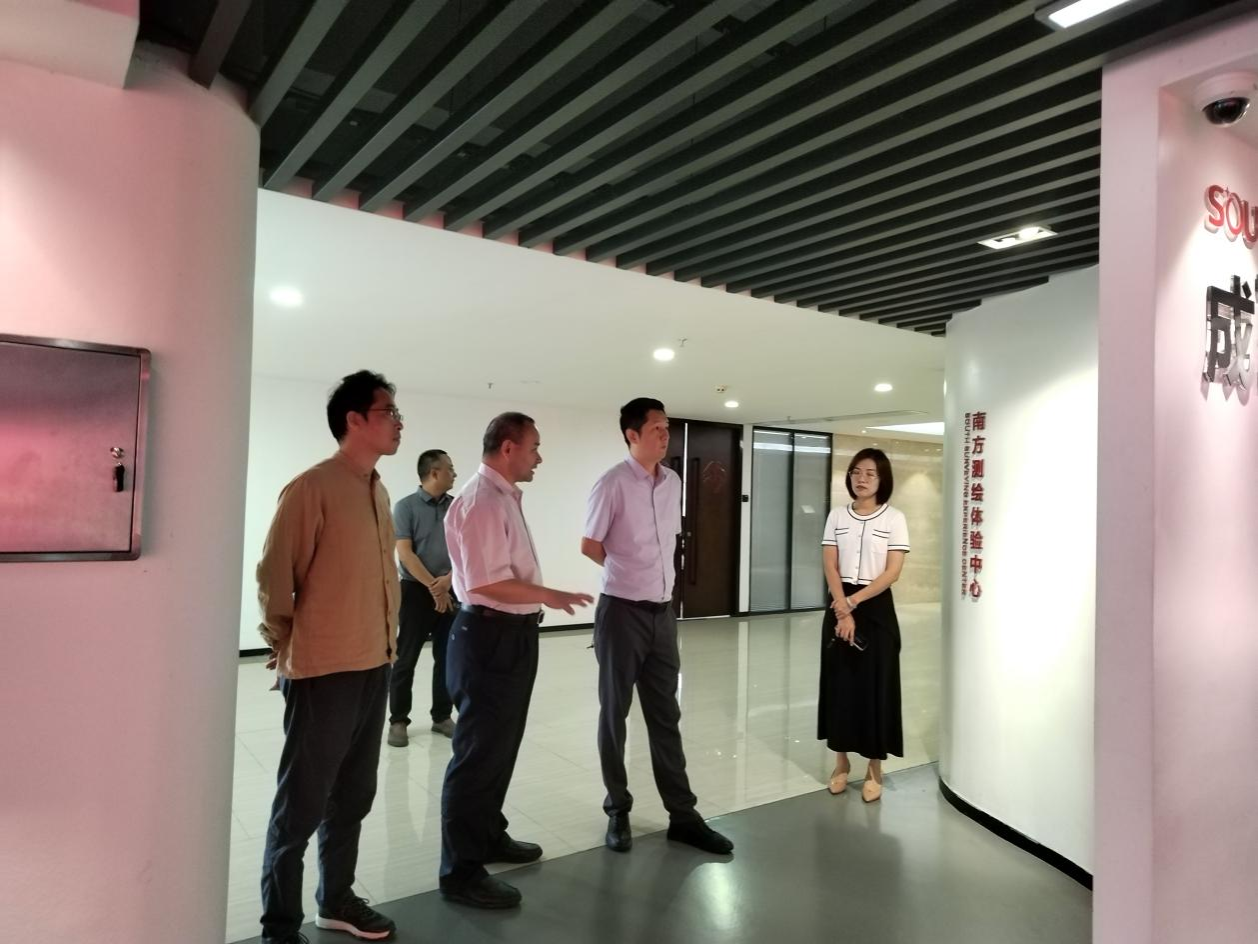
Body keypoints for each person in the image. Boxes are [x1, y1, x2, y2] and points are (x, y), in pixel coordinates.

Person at [255, 370, 404, 942]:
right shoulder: (312, 487)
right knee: (301, 804)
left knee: (354, 795)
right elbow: (275, 576)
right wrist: (285, 644)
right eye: (388, 412)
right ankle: (279, 925)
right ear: (354, 420)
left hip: (374, 663)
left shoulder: (378, 489)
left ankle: (336, 900)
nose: (398, 422)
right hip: (323, 670)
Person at [438, 412, 593, 909]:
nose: (539, 457)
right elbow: (487, 582)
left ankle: (486, 835)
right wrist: (550, 594)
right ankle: (461, 872)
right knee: (478, 753)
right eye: (534, 448)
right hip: (489, 636)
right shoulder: (483, 501)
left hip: (507, 635)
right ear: (508, 448)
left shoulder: (501, 497)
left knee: (500, 746)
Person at [581, 398, 734, 856]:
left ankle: (682, 816)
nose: (666, 435)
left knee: (666, 715)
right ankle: (618, 810)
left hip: (662, 615)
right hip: (621, 613)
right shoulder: (611, 483)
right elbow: (590, 545)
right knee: (615, 715)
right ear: (632, 435)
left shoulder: (672, 482)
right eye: (656, 428)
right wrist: (627, 574)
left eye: (667, 427)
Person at [818, 447, 910, 804]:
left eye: (870, 473)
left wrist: (853, 603)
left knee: (876, 686)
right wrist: (842, 608)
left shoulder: (894, 518)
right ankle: (841, 762)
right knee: (840, 684)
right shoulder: (837, 516)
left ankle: (874, 767)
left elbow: (893, 572)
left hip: (875, 607)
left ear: (882, 479)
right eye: (856, 471)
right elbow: (830, 563)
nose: (862, 478)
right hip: (839, 602)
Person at [389, 448, 458, 747]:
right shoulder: (405, 507)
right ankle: (398, 720)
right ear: (434, 472)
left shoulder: (457, 507)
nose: (454, 473)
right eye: (450, 468)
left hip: (451, 587)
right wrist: (434, 586)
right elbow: (405, 553)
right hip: (415, 591)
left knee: (447, 657)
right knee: (406, 658)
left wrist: (447, 582)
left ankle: (442, 716)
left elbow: (466, 551)